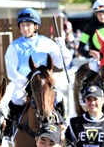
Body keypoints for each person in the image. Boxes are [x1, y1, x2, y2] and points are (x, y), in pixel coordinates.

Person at [4, 8, 72, 136]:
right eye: (22, 25)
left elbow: (62, 62)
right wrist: (26, 83)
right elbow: (11, 71)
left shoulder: (47, 42)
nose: (25, 28)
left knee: (59, 97)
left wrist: (63, 48)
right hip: (24, 84)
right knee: (16, 98)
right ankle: (9, 130)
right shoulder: (14, 46)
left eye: (28, 25)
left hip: (45, 82)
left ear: (36, 26)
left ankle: (64, 127)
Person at [77, 0, 104, 93]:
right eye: (99, 14)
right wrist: (90, 52)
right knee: (93, 67)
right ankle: (84, 91)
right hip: (97, 59)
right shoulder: (89, 27)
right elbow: (80, 48)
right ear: (96, 14)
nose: (102, 16)